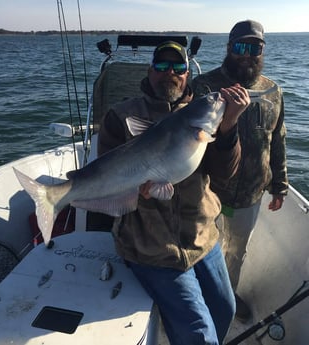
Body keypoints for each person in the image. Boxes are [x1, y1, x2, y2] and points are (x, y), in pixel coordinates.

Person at [98, 41, 250, 345]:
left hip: (201, 236)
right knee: (199, 335)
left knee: (225, 310)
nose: (171, 73)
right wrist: (134, 188)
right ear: (150, 70)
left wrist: (230, 124)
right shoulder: (121, 115)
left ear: (186, 75)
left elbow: (224, 175)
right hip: (150, 245)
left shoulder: (205, 115)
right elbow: (106, 178)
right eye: (163, 66)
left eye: (179, 67)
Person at [192, 20, 288, 322]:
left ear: (262, 50)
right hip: (207, 191)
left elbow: (278, 139)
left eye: (255, 47)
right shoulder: (203, 87)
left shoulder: (273, 92)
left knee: (236, 252)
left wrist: (280, 184)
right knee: (202, 247)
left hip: (251, 193)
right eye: (240, 47)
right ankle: (195, 298)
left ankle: (226, 295)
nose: (247, 54)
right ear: (229, 48)